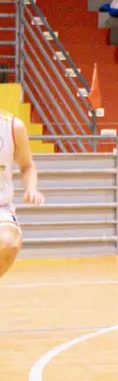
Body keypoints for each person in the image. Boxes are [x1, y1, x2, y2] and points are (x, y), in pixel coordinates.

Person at [0, 110, 45, 280]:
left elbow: (27, 165)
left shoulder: (12, 126)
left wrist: (31, 188)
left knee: (9, 243)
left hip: (1, 206)